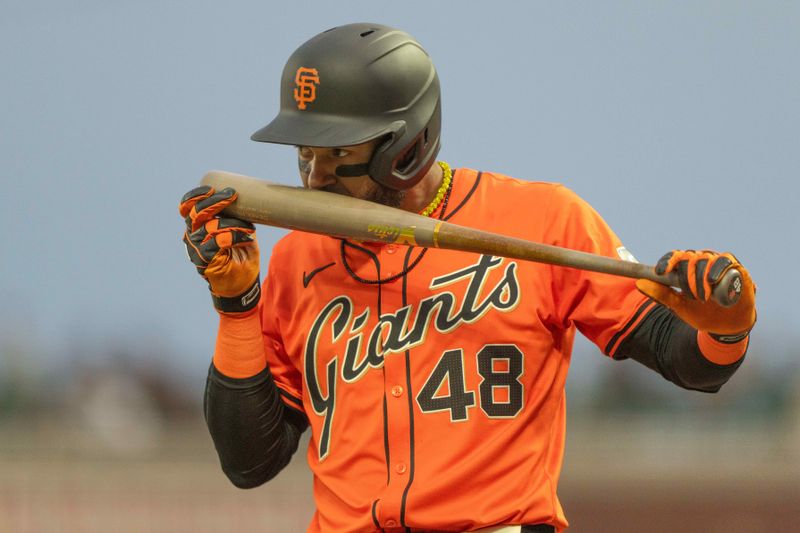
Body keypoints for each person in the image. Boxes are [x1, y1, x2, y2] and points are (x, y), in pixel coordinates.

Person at [178, 23, 756, 533]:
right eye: (305, 152)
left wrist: (723, 331)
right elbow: (249, 461)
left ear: (405, 144)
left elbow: (681, 356)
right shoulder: (296, 259)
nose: (314, 177)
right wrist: (236, 304)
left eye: (336, 152)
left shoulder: (543, 222)